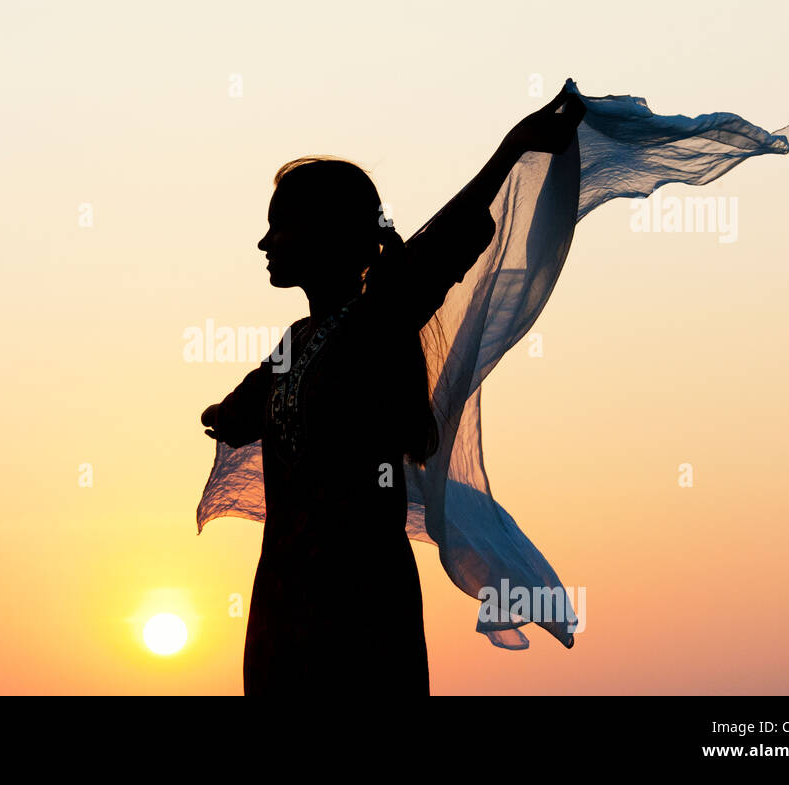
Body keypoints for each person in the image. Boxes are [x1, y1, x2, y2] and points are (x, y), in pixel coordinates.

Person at [201, 88, 586, 695]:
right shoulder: (297, 341)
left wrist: (511, 148)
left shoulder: (376, 322)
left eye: (280, 226)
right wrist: (226, 414)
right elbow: (249, 406)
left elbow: (448, 240)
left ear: (326, 232)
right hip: (284, 600)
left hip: (359, 601)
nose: (265, 242)